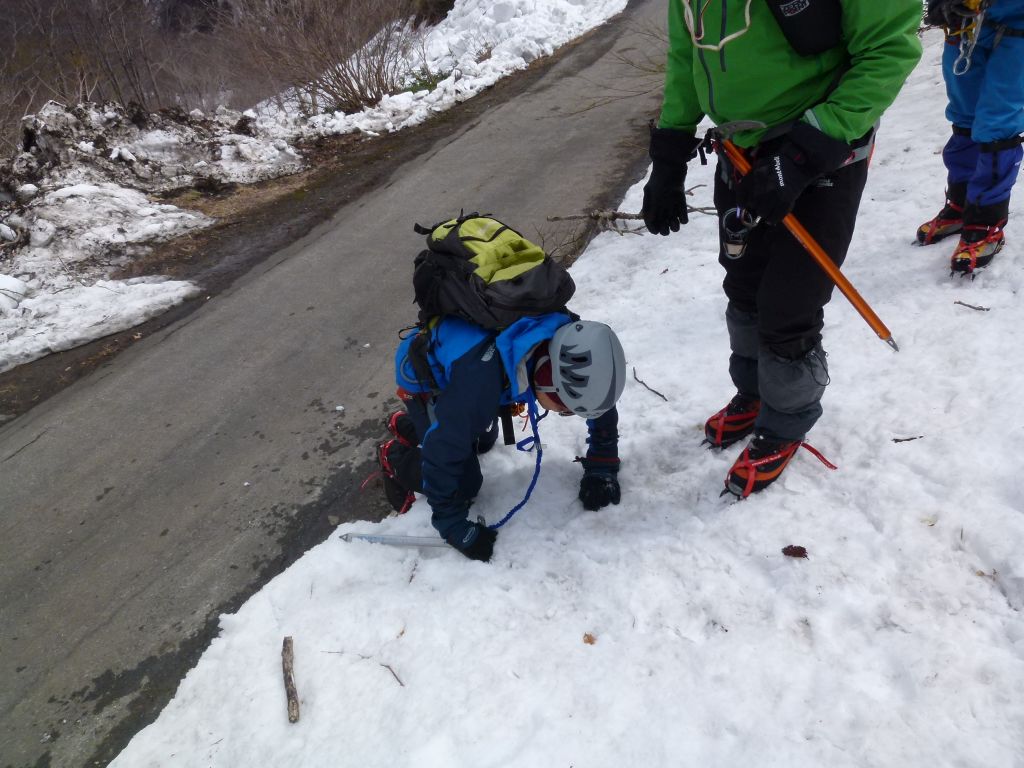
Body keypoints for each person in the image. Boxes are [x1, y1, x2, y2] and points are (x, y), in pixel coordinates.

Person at [642, 1, 922, 497]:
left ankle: (786, 423)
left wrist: (800, 153)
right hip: (740, 154)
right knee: (744, 286)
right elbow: (688, 56)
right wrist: (670, 154)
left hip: (819, 158)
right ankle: (753, 393)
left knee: (789, 303)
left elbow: (887, 52)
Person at [373, 313, 626, 562]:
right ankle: (394, 455)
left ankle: (412, 425)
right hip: (426, 374)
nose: (567, 414)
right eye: (565, 410)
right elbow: (444, 452)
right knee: (464, 483)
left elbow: (594, 395)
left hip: (473, 369)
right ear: (548, 382)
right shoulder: (480, 386)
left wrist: (603, 460)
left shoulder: (569, 340)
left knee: (481, 439)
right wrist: (452, 526)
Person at [917, 0, 1024, 274]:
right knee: (965, 112)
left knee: (998, 120)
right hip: (969, 19)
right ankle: (962, 203)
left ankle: (986, 220)